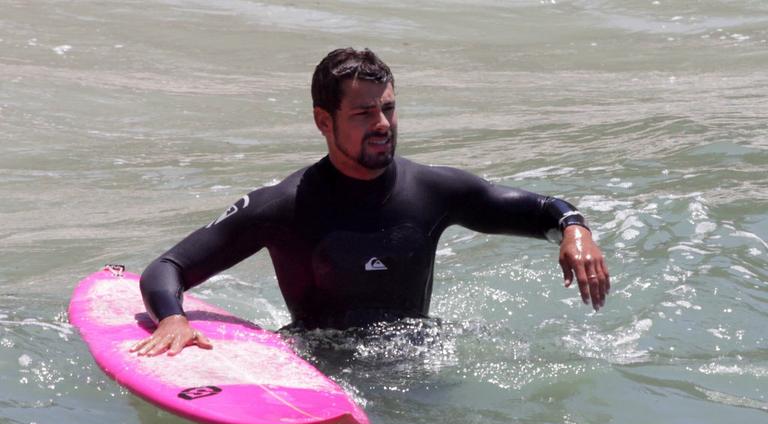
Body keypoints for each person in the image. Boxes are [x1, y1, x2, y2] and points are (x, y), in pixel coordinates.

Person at [132, 48, 610, 357]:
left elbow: (542, 209)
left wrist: (574, 230)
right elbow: (167, 268)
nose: (382, 123)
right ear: (324, 121)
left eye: (389, 108)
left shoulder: (433, 191)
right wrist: (172, 318)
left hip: (419, 363)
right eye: (363, 112)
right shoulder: (280, 207)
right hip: (321, 371)